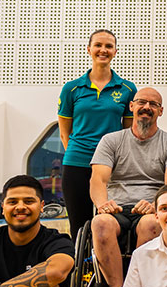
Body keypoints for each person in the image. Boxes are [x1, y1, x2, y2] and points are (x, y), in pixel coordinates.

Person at [88, 87, 167, 287]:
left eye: (154, 104)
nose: (147, 107)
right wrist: (102, 204)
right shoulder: (111, 141)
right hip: (116, 209)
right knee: (100, 223)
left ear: (161, 111)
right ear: (131, 106)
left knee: (152, 223)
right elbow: (98, 179)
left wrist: (156, 205)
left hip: (153, 210)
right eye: (142, 102)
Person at [57, 29, 134, 236]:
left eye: (108, 46)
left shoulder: (127, 89)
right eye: (98, 45)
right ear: (89, 49)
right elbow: (65, 133)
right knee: (79, 225)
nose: (103, 50)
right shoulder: (72, 89)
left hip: (111, 165)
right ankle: (82, 268)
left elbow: (128, 132)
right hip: (76, 163)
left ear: (115, 51)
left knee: (110, 221)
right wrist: (79, 154)